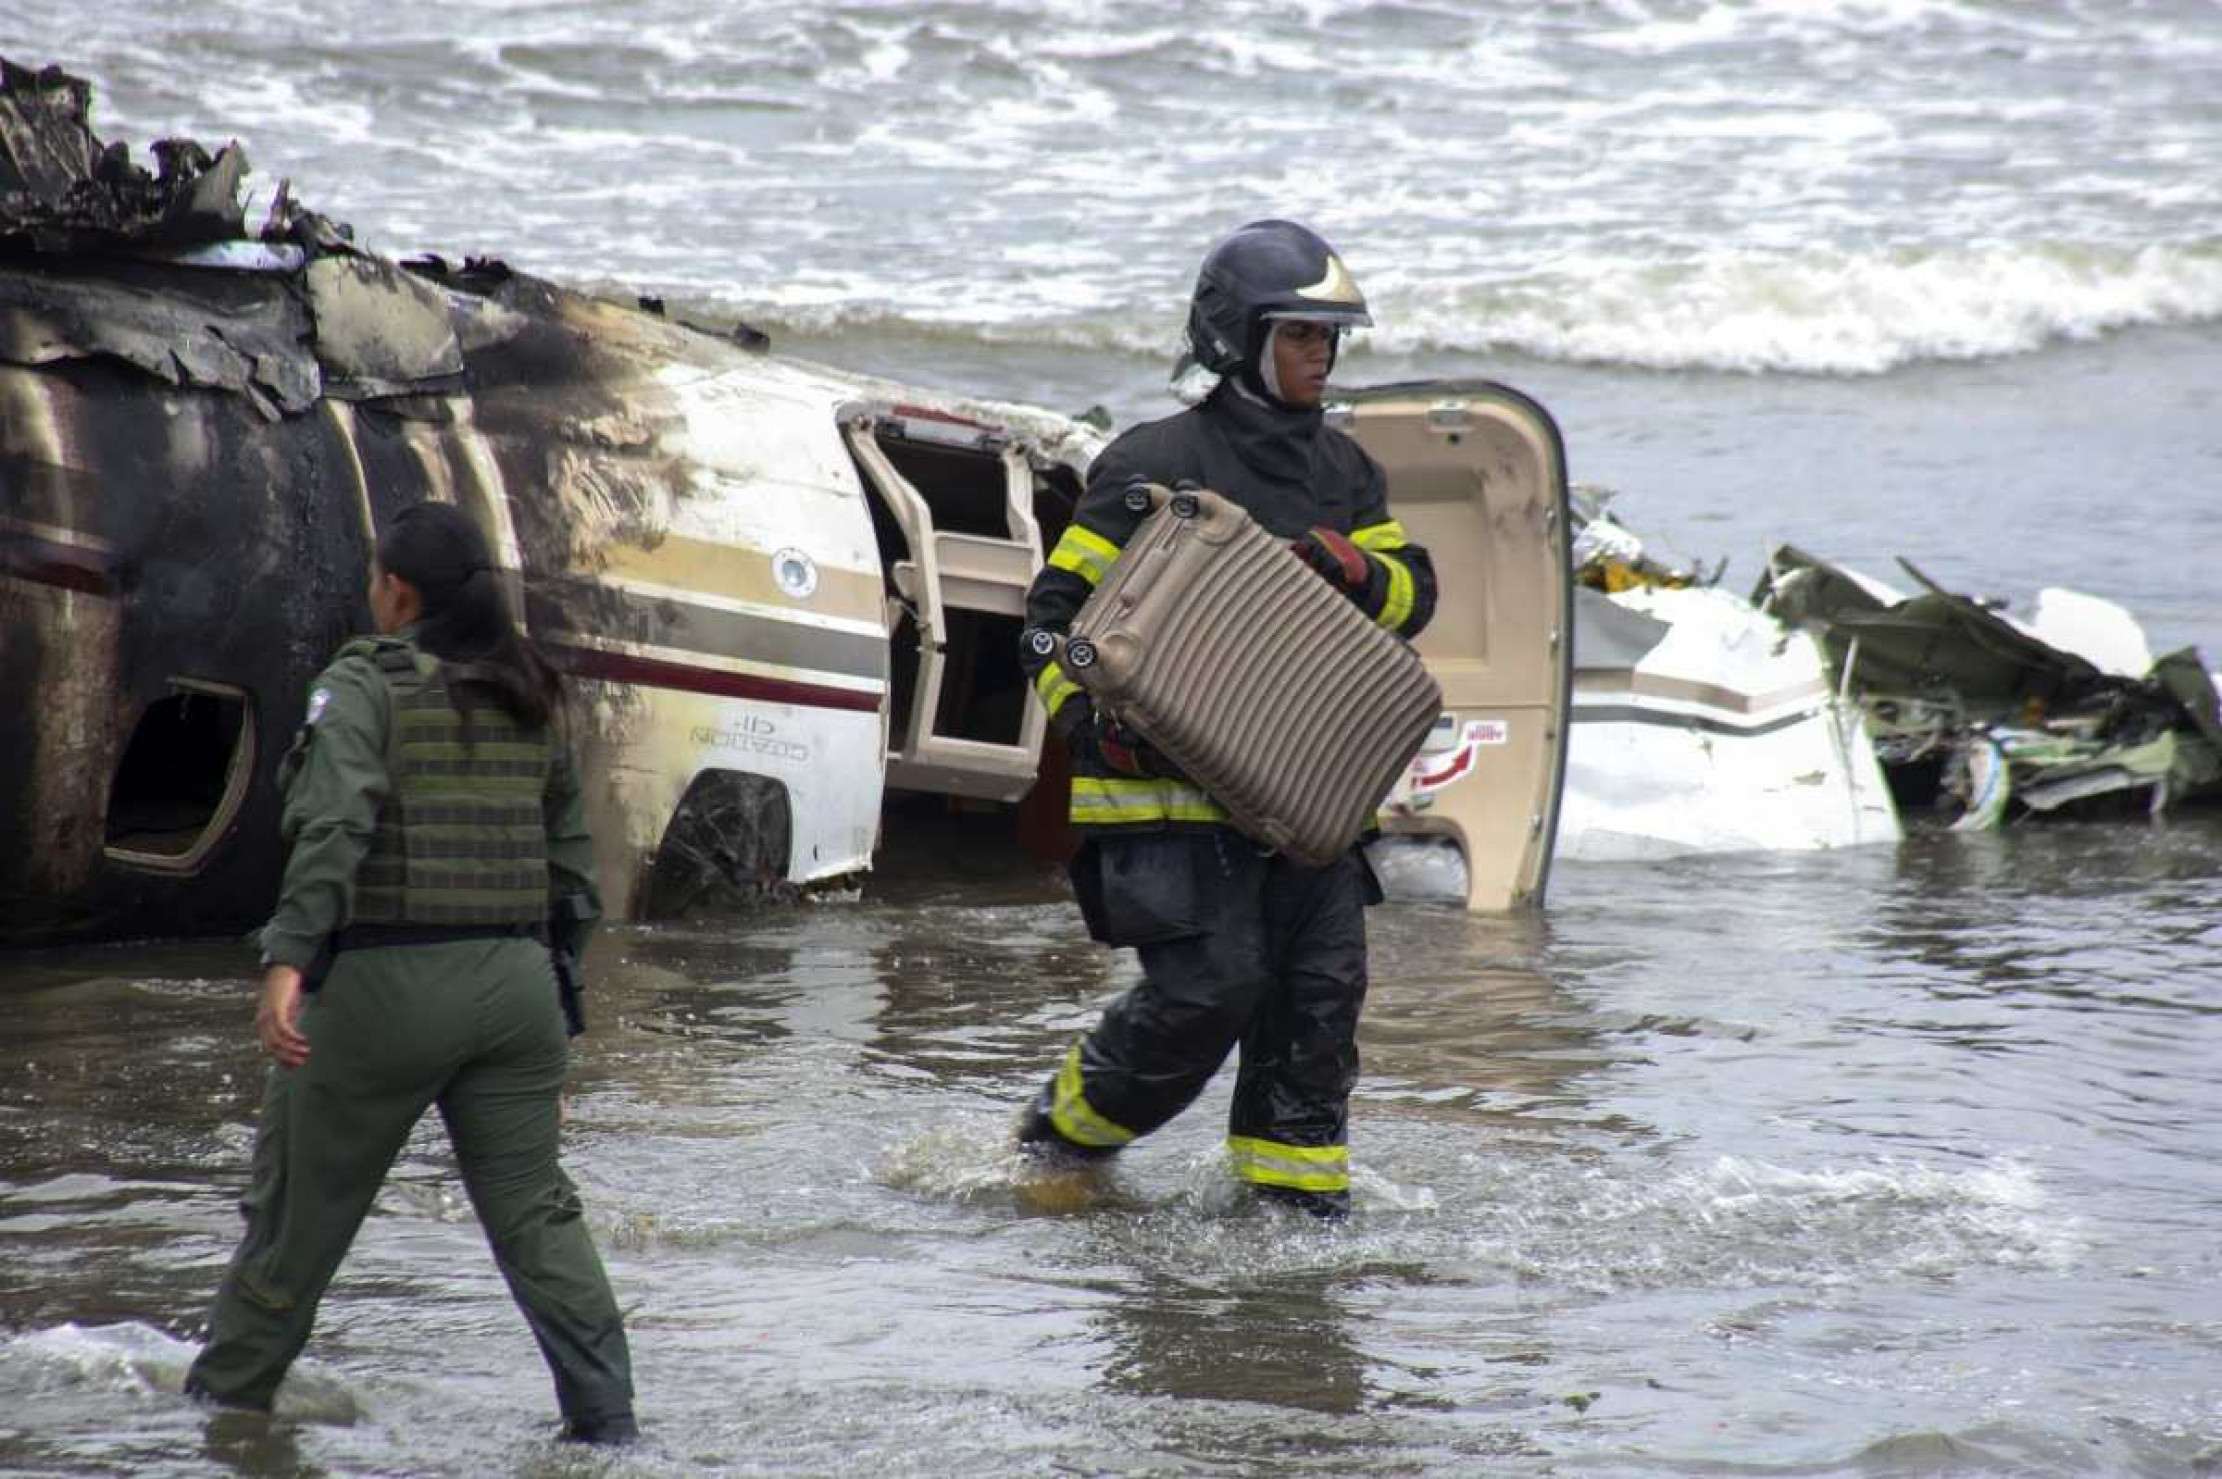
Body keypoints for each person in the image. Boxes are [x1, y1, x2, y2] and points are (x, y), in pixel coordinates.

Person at [185, 501, 636, 1443]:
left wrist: (288, 960)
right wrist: (561, 1022)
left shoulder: (366, 684)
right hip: (519, 994)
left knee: (294, 1221)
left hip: (389, 985)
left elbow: (334, 825)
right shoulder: (530, 690)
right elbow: (573, 876)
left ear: (396, 593)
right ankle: (609, 1427)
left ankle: (220, 1419)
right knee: (540, 1222)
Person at [1013, 220, 1438, 1218]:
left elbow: (1410, 596)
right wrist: (1091, 718)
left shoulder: (1344, 473)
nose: (1321, 355)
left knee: (1315, 1009)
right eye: (1298, 334)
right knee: (1208, 993)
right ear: (1237, 337)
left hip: (1305, 803)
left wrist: (1347, 566)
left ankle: (1290, 1224)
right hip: (1171, 807)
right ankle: (1054, 1144)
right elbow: (1049, 627)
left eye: (1330, 337)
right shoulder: (1151, 462)